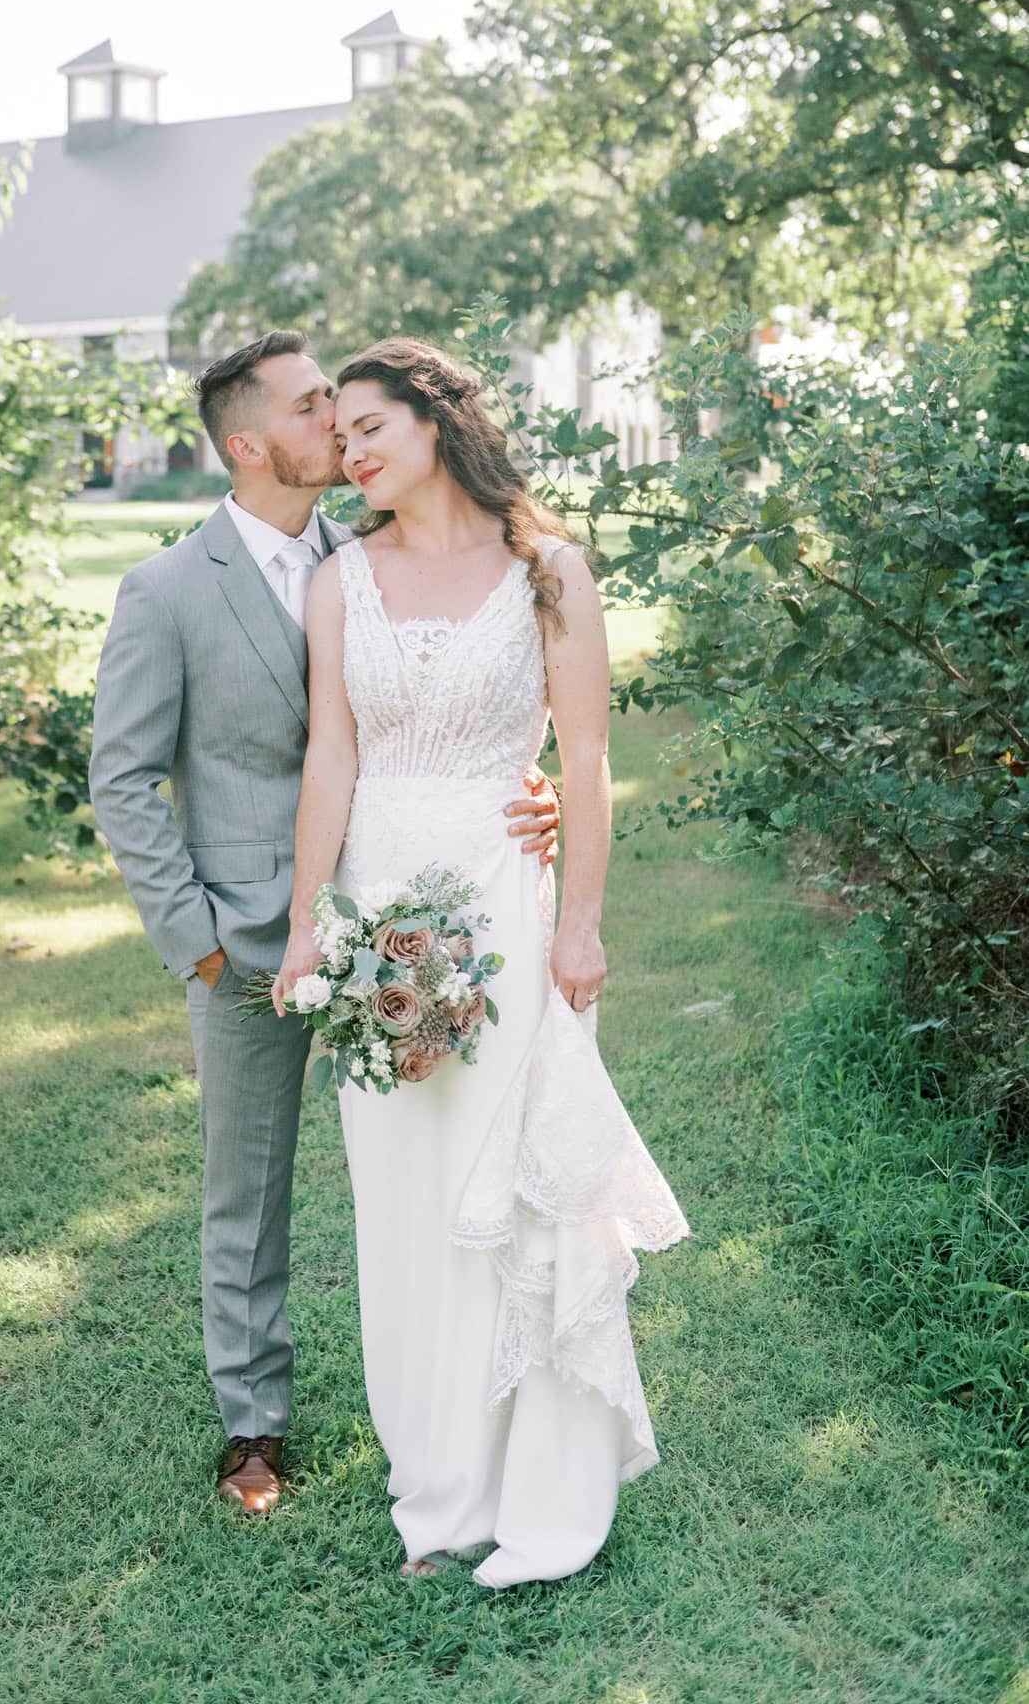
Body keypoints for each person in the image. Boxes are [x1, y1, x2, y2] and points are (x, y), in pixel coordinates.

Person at [87, 330, 561, 1516]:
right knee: (244, 1187)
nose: (339, 432)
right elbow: (122, 776)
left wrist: (526, 783)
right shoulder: (166, 589)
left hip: (414, 920)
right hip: (249, 937)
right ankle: (254, 1425)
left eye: (350, 416)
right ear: (249, 444)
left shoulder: (375, 554)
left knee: (440, 1164)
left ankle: (467, 1404)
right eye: (313, 412)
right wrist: (193, 934)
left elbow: (455, 689)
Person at [272, 337, 691, 1588]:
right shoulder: (343, 576)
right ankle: (442, 1489)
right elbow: (329, 762)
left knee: (519, 1183)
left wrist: (579, 920)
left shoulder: (549, 570)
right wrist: (308, 926)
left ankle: (545, 1497)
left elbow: (586, 757)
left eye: (366, 426)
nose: (348, 452)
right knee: (404, 1205)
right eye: (337, 434)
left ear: (436, 418)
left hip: (507, 905)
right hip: (377, 914)